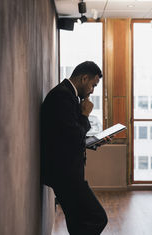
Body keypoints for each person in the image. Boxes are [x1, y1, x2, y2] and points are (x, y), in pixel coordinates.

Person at [41, 61, 108, 235]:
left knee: (77, 223)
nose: (93, 90)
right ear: (84, 78)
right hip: (66, 174)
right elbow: (72, 135)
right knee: (98, 217)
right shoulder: (62, 97)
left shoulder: (68, 95)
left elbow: (68, 134)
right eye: (93, 85)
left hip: (67, 172)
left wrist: (90, 142)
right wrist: (85, 114)